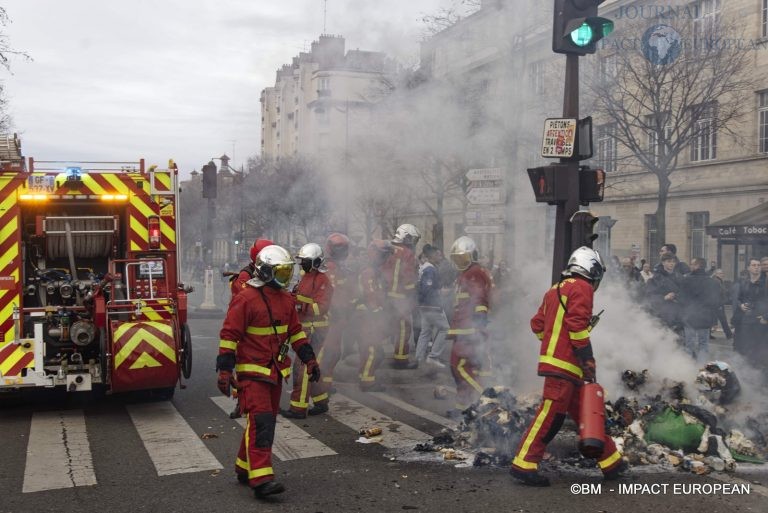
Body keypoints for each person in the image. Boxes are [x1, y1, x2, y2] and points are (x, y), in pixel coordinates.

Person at [510, 247, 625, 487]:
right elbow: (577, 327)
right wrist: (588, 358)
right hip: (566, 366)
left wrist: (552, 345)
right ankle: (524, 463)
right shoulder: (582, 287)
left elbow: (537, 324)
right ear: (591, 269)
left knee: (586, 413)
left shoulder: (555, 289)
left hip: (560, 364)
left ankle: (611, 461)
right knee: (549, 416)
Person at [216, 244, 320, 499]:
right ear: (264, 272)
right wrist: (224, 371)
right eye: (280, 272)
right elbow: (229, 336)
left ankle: (244, 467)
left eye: (287, 272)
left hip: (275, 371)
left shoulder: (286, 299)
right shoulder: (245, 299)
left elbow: (295, 333)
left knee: (262, 421)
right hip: (252, 372)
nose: (285, 278)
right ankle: (261, 479)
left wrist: (310, 359)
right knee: (262, 421)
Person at [282, 243, 333, 419]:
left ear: (315, 262)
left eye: (305, 261)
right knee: (313, 366)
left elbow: (321, 308)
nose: (301, 264)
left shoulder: (323, 280)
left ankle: (298, 408)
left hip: (316, 330)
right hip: (306, 328)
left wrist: (298, 304)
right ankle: (321, 401)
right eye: (301, 261)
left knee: (302, 367)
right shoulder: (305, 277)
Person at [445, 236, 493, 412]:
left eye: (463, 257)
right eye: (457, 258)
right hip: (462, 327)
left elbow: (480, 298)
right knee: (462, 368)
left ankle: (489, 399)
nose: (460, 262)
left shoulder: (475, 272)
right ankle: (463, 408)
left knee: (458, 367)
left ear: (473, 255)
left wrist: (478, 323)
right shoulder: (465, 274)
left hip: (469, 329)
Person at [311, 233, 354, 415]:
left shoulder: (341, 268)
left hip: (338, 319)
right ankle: (317, 393)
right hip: (328, 319)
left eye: (343, 248)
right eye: (339, 248)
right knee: (323, 356)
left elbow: (345, 292)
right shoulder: (326, 267)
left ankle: (325, 386)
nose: (342, 252)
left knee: (334, 355)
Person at [355, 239, 393, 391]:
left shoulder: (373, 270)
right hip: (367, 316)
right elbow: (371, 294)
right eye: (384, 255)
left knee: (368, 348)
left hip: (367, 315)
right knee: (373, 349)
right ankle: (367, 381)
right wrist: (379, 313)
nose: (386, 258)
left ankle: (363, 374)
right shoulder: (369, 271)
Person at [381, 224, 420, 368]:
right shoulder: (407, 253)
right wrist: (412, 294)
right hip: (401, 297)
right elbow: (408, 276)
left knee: (386, 324)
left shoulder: (389, 249)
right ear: (406, 237)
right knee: (404, 327)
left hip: (386, 295)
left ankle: (373, 350)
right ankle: (401, 359)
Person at [409, 244, 449, 370]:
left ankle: (418, 359)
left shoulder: (425, 268)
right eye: (438, 254)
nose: (440, 257)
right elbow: (427, 288)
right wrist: (439, 293)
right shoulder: (430, 269)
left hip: (423, 306)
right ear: (432, 256)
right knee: (445, 328)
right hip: (432, 306)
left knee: (425, 332)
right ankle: (433, 356)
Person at [678, 257, 721, 361]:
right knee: (703, 346)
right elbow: (716, 302)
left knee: (689, 346)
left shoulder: (685, 280)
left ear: (697, 265)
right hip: (705, 318)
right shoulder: (713, 282)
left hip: (689, 318)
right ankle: (701, 370)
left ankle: (687, 371)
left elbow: (681, 300)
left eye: (692, 264)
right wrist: (714, 320)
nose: (690, 266)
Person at [731, 258, 768, 358]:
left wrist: (766, 317)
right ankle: (745, 371)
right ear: (748, 267)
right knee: (744, 348)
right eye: (754, 265)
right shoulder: (744, 282)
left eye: (758, 265)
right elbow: (738, 298)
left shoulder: (765, 283)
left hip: (760, 321)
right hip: (744, 320)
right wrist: (741, 305)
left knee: (759, 350)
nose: (757, 267)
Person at [645, 252, 683, 334]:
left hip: (678, 314)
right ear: (663, 263)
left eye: (673, 261)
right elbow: (649, 296)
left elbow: (685, 293)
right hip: (662, 314)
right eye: (669, 261)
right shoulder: (655, 278)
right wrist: (664, 297)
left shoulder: (680, 277)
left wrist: (676, 296)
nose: (671, 264)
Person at [711, 269, 733, 339]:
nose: (722, 274)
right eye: (720, 273)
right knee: (723, 320)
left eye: (722, 273)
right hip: (718, 304)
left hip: (718, 303)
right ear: (715, 274)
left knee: (714, 319)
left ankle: (708, 334)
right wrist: (719, 305)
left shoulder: (719, 281)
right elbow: (716, 294)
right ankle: (729, 334)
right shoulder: (716, 281)